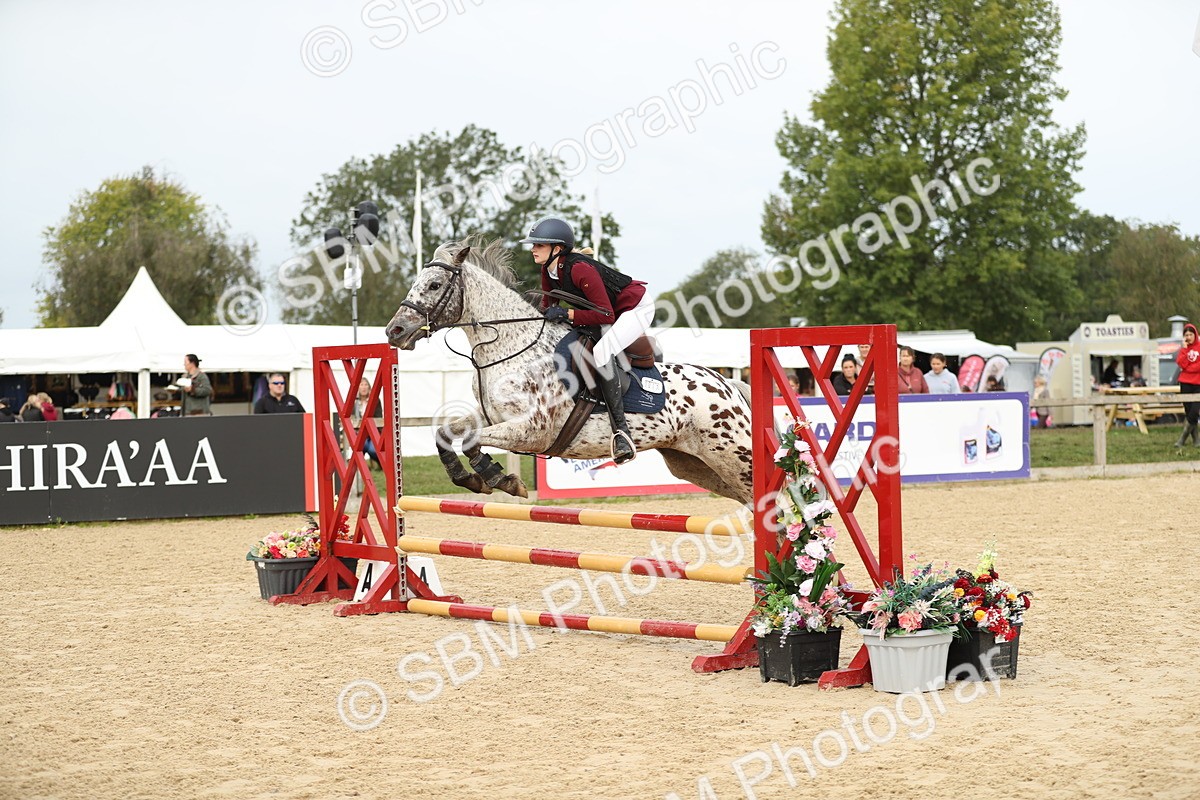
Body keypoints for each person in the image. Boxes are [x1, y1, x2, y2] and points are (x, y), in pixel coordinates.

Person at [521, 216, 653, 464]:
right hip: (607, 312)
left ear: (556, 249)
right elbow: (549, 306)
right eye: (534, 244)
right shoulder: (548, 269)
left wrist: (567, 314)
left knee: (602, 352)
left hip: (634, 308)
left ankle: (622, 432)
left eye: (538, 245)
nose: (533, 249)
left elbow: (606, 314)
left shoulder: (580, 269)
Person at [1174, 323, 1200, 447]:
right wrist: (1184, 349)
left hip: (1198, 383)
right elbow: (1180, 363)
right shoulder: (1183, 349)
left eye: (1191, 334)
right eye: (1186, 335)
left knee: (1194, 411)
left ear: (1195, 335)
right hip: (1185, 383)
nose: (1189, 337)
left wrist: (1188, 368)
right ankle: (1196, 440)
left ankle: (1182, 439)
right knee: (1188, 411)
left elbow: (1197, 366)